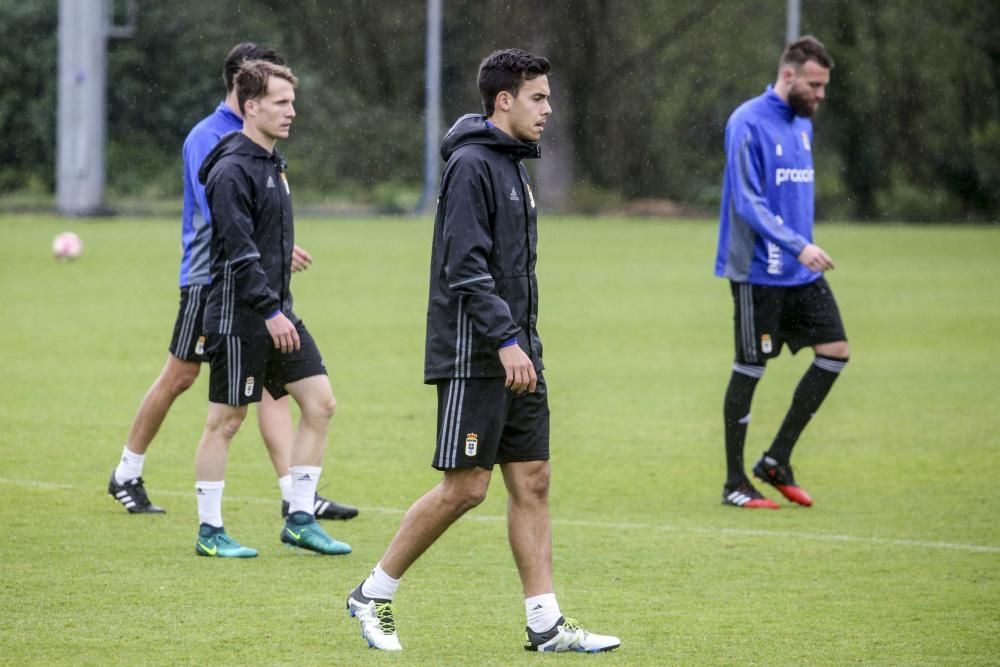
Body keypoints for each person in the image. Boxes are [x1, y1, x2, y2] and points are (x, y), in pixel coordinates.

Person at [345, 48, 620, 653]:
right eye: (538, 98)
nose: (548, 108)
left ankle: (545, 622)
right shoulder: (471, 165)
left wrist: (523, 341)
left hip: (519, 348)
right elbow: (463, 267)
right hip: (480, 352)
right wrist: (504, 340)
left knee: (533, 479)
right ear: (504, 100)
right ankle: (373, 593)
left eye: (548, 97)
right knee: (465, 488)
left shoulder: (514, 166)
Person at [107, 43, 356, 523]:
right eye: (276, 97)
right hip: (210, 278)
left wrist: (277, 251)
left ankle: (294, 494)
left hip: (255, 280)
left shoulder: (265, 142)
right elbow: (221, 211)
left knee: (273, 387)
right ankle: (127, 470)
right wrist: (270, 252)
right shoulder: (212, 137)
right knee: (182, 375)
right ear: (245, 92)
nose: (287, 108)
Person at [191, 59, 351, 558]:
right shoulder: (232, 167)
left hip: (276, 310)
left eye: (292, 102)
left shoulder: (269, 163)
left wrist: (284, 260)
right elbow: (237, 252)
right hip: (239, 317)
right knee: (228, 419)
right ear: (251, 105)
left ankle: (301, 518)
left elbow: (257, 238)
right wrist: (269, 310)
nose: (291, 112)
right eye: (281, 103)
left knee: (319, 402)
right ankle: (210, 531)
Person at [715, 35, 849, 509]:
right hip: (758, 270)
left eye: (824, 85)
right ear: (788, 75)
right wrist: (798, 245)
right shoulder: (747, 122)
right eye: (814, 84)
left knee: (834, 351)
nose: (821, 94)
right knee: (750, 368)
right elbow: (747, 203)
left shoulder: (802, 124)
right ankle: (735, 482)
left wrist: (801, 250)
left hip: (801, 271)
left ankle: (776, 460)